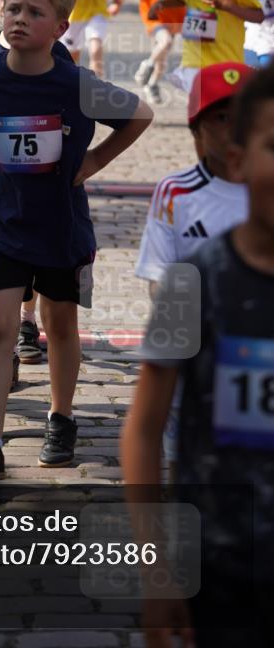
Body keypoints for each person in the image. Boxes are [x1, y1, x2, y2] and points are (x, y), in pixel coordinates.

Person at [0, 0, 152, 479]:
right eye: (14, 9)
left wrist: (95, 162)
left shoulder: (75, 84)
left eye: (35, 13)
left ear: (60, 27)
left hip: (61, 226)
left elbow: (140, 114)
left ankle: (61, 418)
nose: (20, 19)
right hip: (2, 223)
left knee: (60, 325)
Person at [121, 63, 274, 648]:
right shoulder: (199, 281)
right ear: (239, 159)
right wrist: (160, 571)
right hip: (221, 562)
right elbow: (143, 429)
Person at [135, 61, 253, 476]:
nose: (231, 128)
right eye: (220, 117)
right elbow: (159, 277)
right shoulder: (176, 192)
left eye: (242, 116)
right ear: (197, 129)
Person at [0, 0, 76, 366]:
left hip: (46, 186)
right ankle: (4, 352)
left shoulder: (61, 56)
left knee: (37, 259)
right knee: (1, 266)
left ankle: (27, 322)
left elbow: (78, 114)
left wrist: (80, 161)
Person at [108, 0, 186, 103]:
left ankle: (152, 83)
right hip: (155, 20)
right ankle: (146, 66)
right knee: (165, 43)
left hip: (175, 22)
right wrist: (117, 4)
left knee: (163, 57)